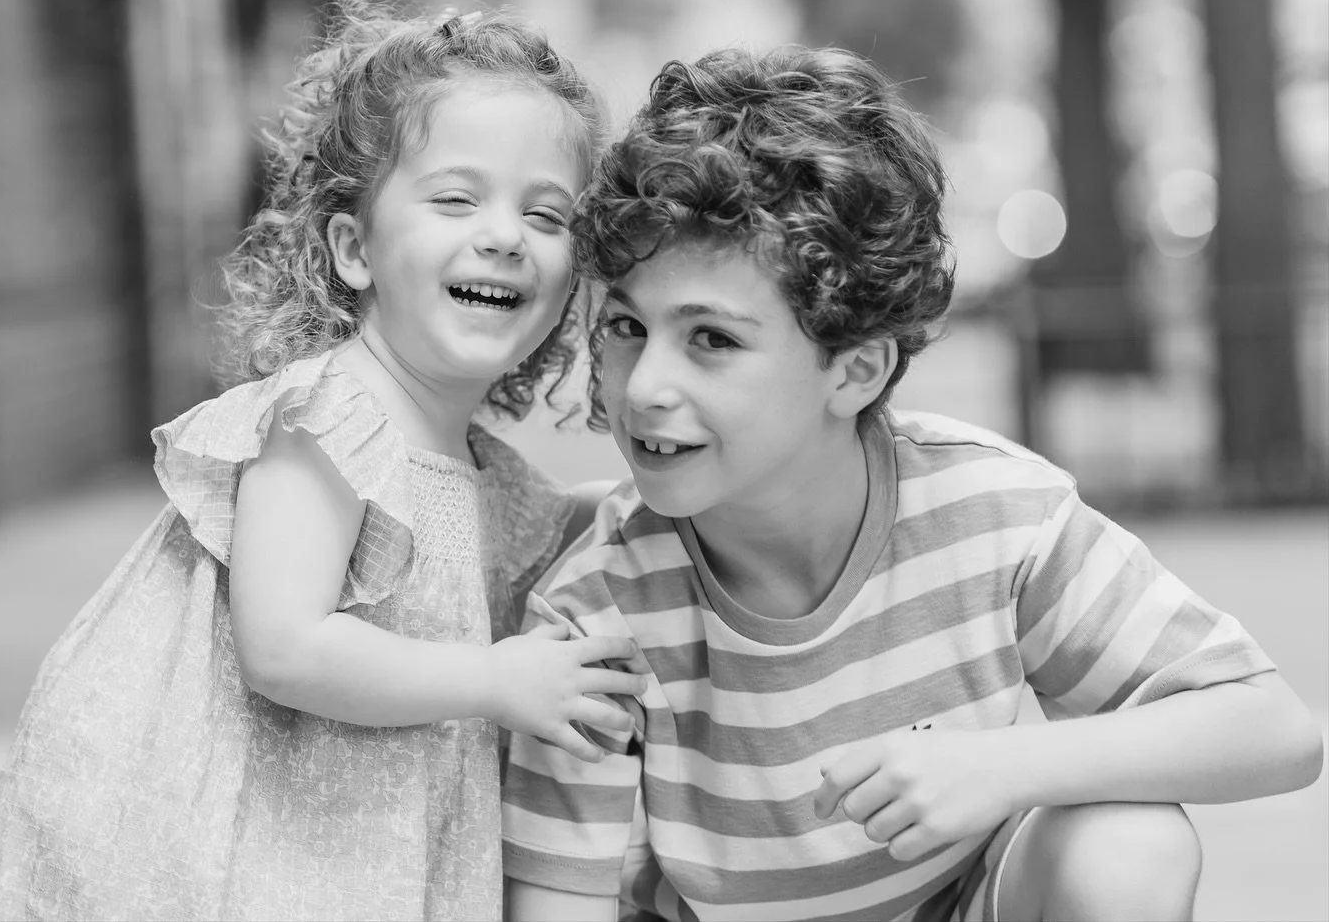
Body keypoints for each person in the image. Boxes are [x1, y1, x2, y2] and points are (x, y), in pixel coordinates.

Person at [501, 45, 1324, 922]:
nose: (644, 386)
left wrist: (1000, 765)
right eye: (627, 326)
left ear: (855, 370)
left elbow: (1273, 726)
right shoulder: (595, 614)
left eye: (713, 339)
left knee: (1130, 842)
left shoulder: (991, 513)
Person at [0, 0, 647, 922]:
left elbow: (569, 520)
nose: (504, 233)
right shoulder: (326, 418)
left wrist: (675, 498)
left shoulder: (480, 467)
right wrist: (496, 679)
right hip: (246, 855)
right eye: (456, 198)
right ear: (354, 250)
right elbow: (283, 646)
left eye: (547, 214)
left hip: (357, 858)